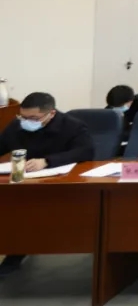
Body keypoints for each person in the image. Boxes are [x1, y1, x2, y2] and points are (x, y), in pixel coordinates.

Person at [0, 92, 94, 275]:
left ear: (51, 113)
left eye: (33, 118)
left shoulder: (73, 126)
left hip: (61, 181)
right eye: (23, 116)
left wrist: (47, 161)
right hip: (24, 181)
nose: (26, 122)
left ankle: (17, 251)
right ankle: (15, 249)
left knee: (27, 210)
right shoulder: (17, 125)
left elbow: (85, 152)